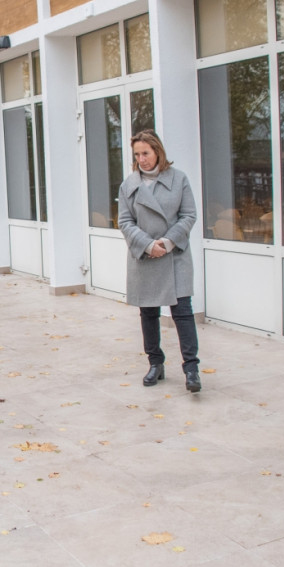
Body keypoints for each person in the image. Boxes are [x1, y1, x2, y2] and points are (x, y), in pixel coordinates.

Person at [118, 129, 202, 392]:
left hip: (174, 254)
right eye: (137, 155)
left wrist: (166, 243)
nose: (142, 159)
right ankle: (155, 363)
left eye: (146, 153)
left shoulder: (179, 179)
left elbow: (188, 215)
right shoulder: (129, 185)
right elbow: (124, 221)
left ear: (158, 152)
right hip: (145, 257)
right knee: (149, 313)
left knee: (183, 313)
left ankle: (191, 369)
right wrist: (147, 244)